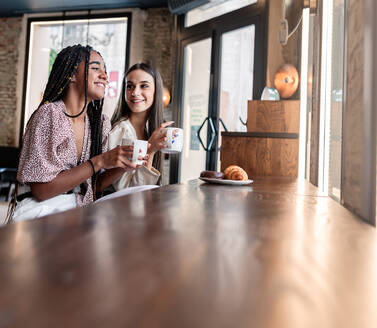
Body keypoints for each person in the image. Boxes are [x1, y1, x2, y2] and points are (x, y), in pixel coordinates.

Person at [10, 44, 143, 222]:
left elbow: (92, 187)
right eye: (95, 68)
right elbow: (41, 191)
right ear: (71, 75)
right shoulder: (50, 115)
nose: (104, 76)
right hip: (40, 215)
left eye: (105, 70)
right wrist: (100, 161)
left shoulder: (98, 123)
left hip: (75, 213)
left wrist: (121, 166)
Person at [109, 63, 173, 190]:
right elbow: (128, 191)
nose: (135, 92)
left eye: (144, 86)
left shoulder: (148, 130)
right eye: (130, 86)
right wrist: (150, 150)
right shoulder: (121, 130)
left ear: (156, 91)